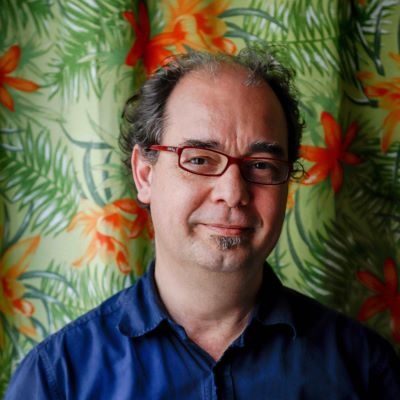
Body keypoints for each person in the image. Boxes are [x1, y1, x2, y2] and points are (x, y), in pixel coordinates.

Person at [5, 47, 400, 399]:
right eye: (198, 159)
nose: (233, 192)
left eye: (261, 165)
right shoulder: (57, 380)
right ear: (145, 174)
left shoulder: (366, 370)